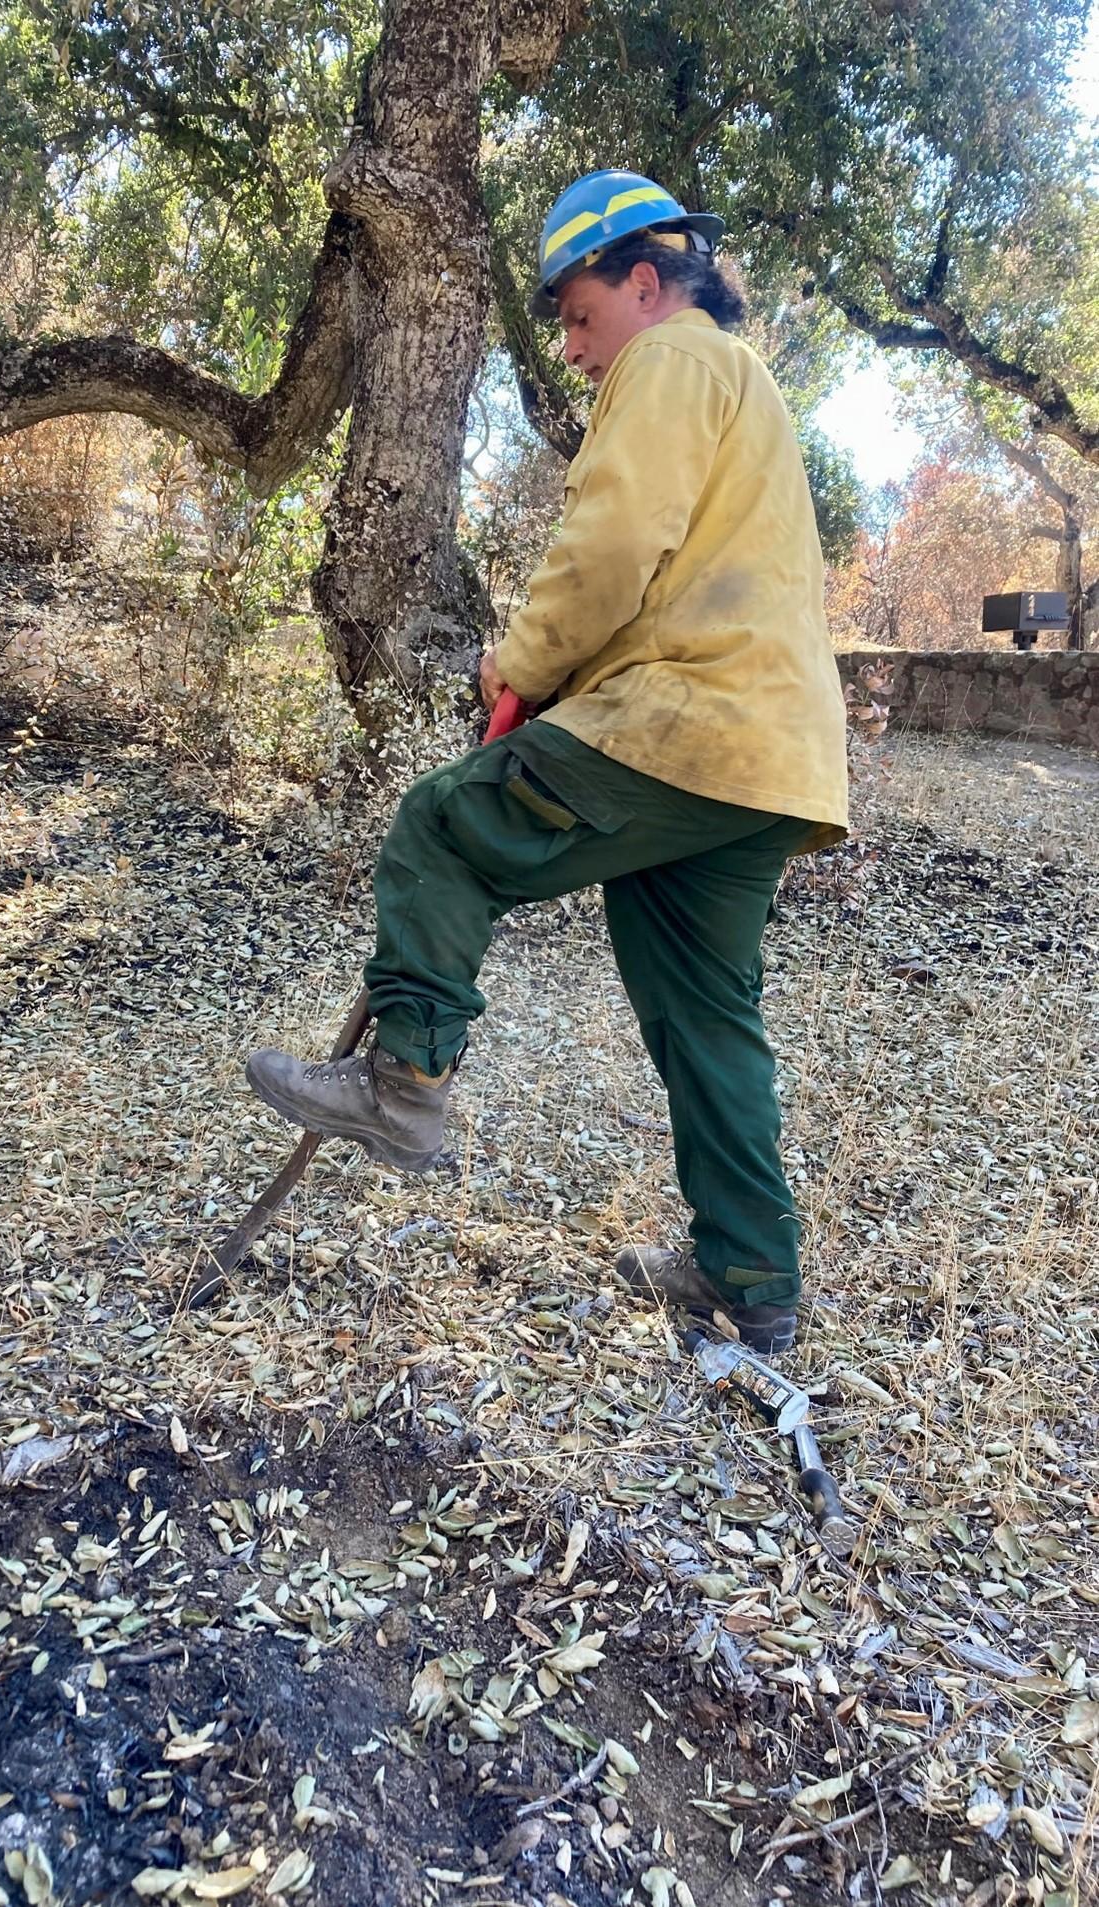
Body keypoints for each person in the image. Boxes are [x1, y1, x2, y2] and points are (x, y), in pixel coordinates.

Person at [246, 169, 849, 1356]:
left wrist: (518, 663)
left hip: (684, 721)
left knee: (439, 826)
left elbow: (614, 543)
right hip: (767, 760)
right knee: (702, 1014)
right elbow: (676, 567)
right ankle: (749, 1274)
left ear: (642, 281)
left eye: (577, 316)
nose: (571, 349)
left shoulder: (671, 360)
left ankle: (404, 1086)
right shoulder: (747, 389)